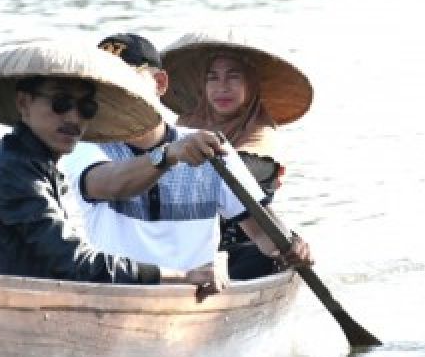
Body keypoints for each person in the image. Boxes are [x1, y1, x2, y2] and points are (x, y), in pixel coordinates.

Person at [0, 41, 227, 299]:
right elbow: (73, 262)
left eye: (87, 108)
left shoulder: (32, 161)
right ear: (24, 103)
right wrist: (178, 277)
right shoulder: (14, 170)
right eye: (61, 104)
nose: (73, 118)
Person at [58, 32, 312, 280]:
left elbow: (262, 233)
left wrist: (290, 245)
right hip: (119, 288)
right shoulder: (88, 146)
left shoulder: (212, 147)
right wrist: (168, 156)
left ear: (159, 84)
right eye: (103, 84)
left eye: (124, 79)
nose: (113, 92)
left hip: (200, 294)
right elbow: (109, 184)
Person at [161, 30, 313, 279]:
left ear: (250, 85)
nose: (222, 88)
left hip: (242, 246)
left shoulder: (262, 138)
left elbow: (219, 180)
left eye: (233, 77)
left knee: (261, 259)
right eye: (213, 78)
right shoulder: (187, 124)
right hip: (183, 244)